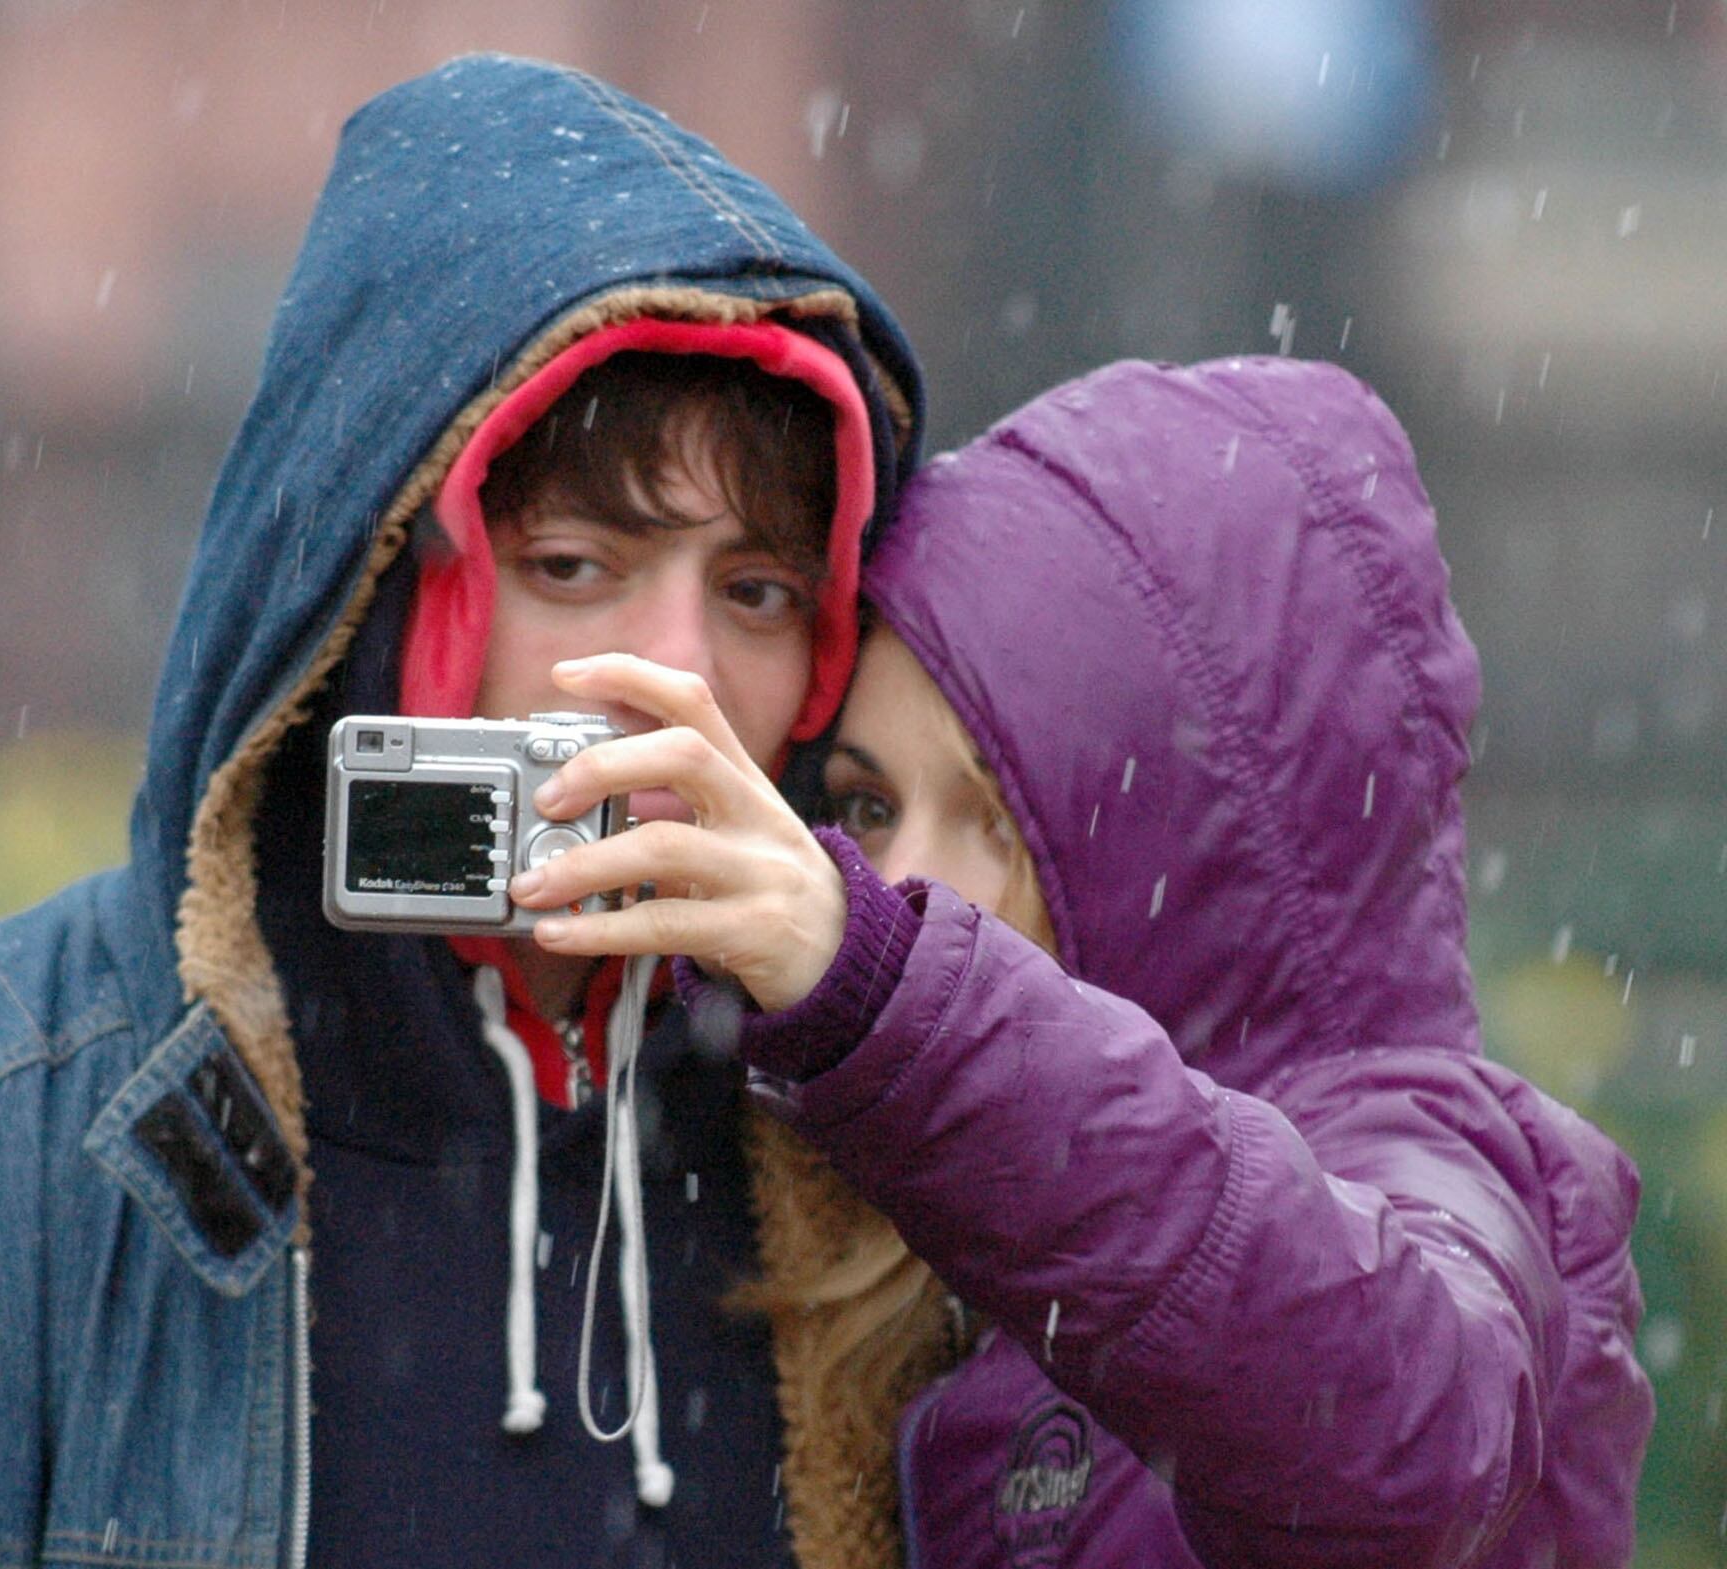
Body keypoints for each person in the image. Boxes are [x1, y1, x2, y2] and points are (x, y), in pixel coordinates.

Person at [0, 56, 922, 1569]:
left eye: (759, 592)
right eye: (571, 565)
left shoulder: (889, 1160)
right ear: (371, 599)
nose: (681, 675)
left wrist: (893, 1034)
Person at [507, 356, 1655, 1567]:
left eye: (997, 815)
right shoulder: (945, 1215)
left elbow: (1394, 1445)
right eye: (870, 806)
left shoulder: (1426, 1165)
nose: (907, 889)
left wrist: (893, 996)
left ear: (1188, 848)